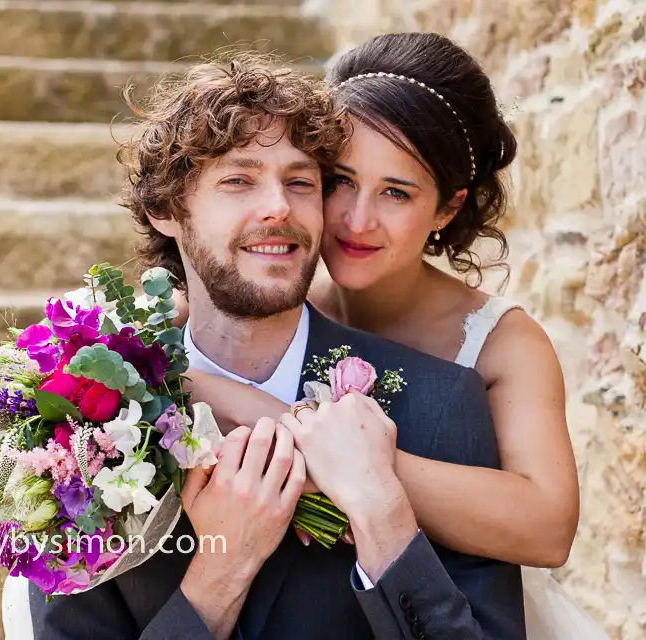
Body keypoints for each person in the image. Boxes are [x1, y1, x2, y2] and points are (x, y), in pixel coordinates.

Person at [24, 50, 528, 640]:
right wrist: (222, 570)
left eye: (301, 182)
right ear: (165, 209)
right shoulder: (76, 420)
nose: (278, 208)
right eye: (238, 181)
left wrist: (382, 515)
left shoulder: (444, 403)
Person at [175, 33, 606, 639]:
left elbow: (548, 529)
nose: (356, 219)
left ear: (447, 209)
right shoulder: (273, 293)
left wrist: (359, 462)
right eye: (340, 181)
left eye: (396, 193)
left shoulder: (502, 343)